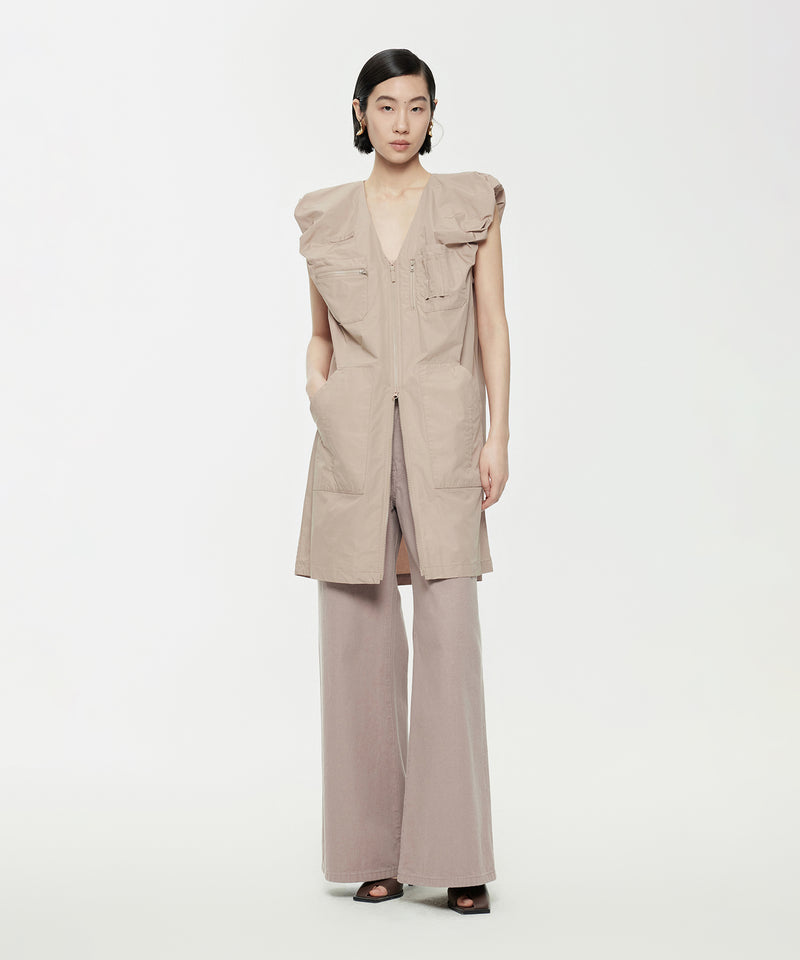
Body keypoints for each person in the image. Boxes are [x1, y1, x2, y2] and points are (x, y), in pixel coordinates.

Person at [293, 48, 510, 916]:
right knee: (358, 641)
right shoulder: (325, 217)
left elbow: (493, 323)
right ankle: (373, 853)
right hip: (351, 441)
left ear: (431, 114)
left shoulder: (468, 205)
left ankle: (457, 857)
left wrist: (499, 433)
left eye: (417, 107)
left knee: (450, 634)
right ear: (360, 113)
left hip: (443, 436)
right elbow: (318, 333)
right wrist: (319, 389)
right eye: (385, 106)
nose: (401, 123)